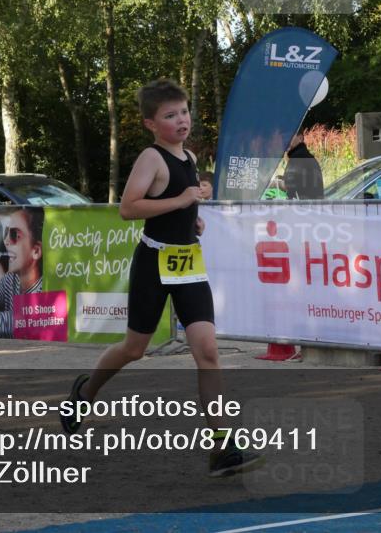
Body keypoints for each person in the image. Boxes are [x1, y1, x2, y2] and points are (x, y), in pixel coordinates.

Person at [60, 79, 263, 478]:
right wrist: (184, 201)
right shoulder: (150, 158)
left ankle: (222, 447)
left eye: (184, 111)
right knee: (134, 349)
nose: (181, 120)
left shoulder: (187, 156)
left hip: (187, 263)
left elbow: (173, 207)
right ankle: (85, 393)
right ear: (150, 123)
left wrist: (193, 219)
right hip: (153, 263)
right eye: (170, 116)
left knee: (207, 351)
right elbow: (128, 208)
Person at [0, 207, 44, 338]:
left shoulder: (44, 292)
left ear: (36, 251)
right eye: (6, 233)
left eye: (14, 235)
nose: (6, 241)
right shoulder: (12, 279)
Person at [283, 131, 324, 200]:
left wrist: (274, 184)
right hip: (311, 206)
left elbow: (289, 186)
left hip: (305, 207)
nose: (287, 138)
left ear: (300, 138)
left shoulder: (298, 157)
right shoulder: (304, 155)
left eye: (292, 135)